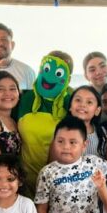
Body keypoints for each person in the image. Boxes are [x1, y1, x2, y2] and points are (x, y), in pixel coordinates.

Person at [17, 51, 74, 197]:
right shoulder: (25, 98)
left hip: (60, 181)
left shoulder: (73, 101)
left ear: (68, 79)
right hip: (23, 179)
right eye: (47, 70)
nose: (50, 77)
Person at [68, 86, 107, 160]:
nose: (82, 105)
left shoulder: (103, 132)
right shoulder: (62, 132)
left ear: (97, 110)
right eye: (78, 100)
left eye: (89, 102)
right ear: (70, 107)